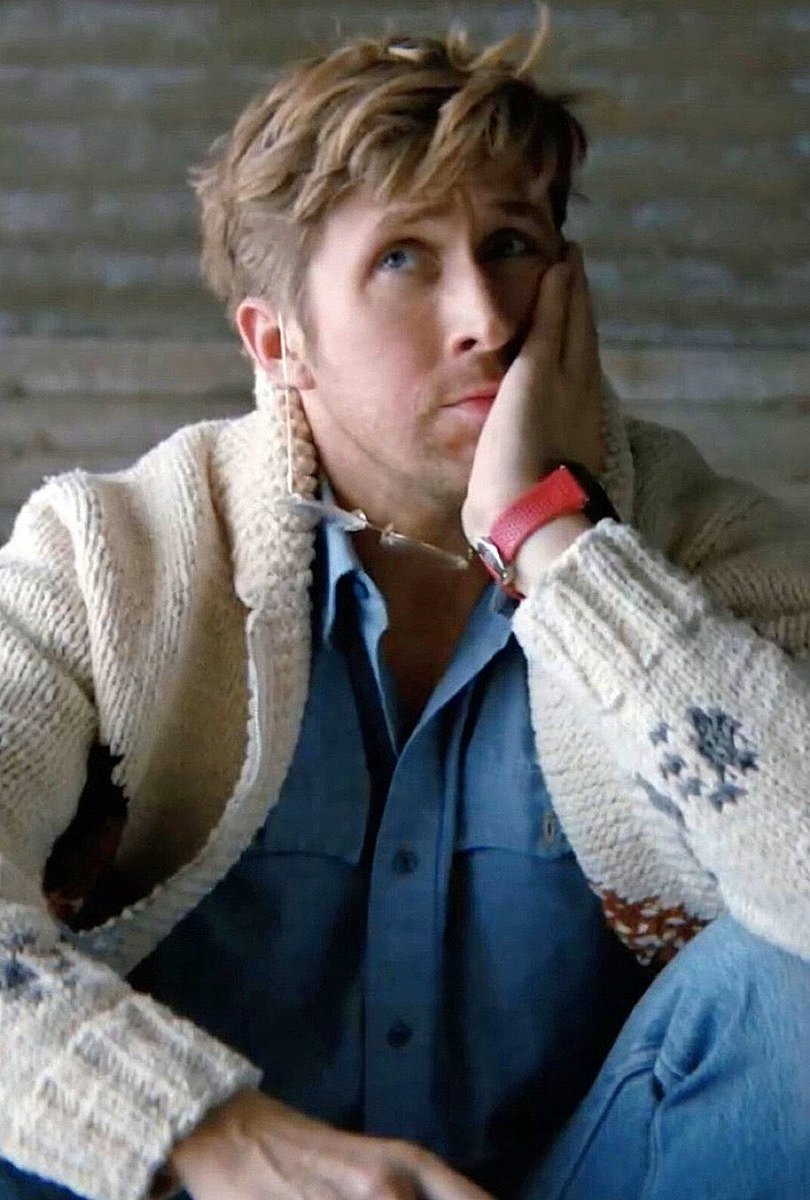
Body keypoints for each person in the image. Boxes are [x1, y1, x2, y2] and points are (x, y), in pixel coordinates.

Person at [0, 18, 808, 1200]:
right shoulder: (106, 559)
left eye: (512, 244)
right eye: (404, 260)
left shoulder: (700, 547)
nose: (485, 316)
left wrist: (556, 542)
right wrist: (206, 1135)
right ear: (279, 341)